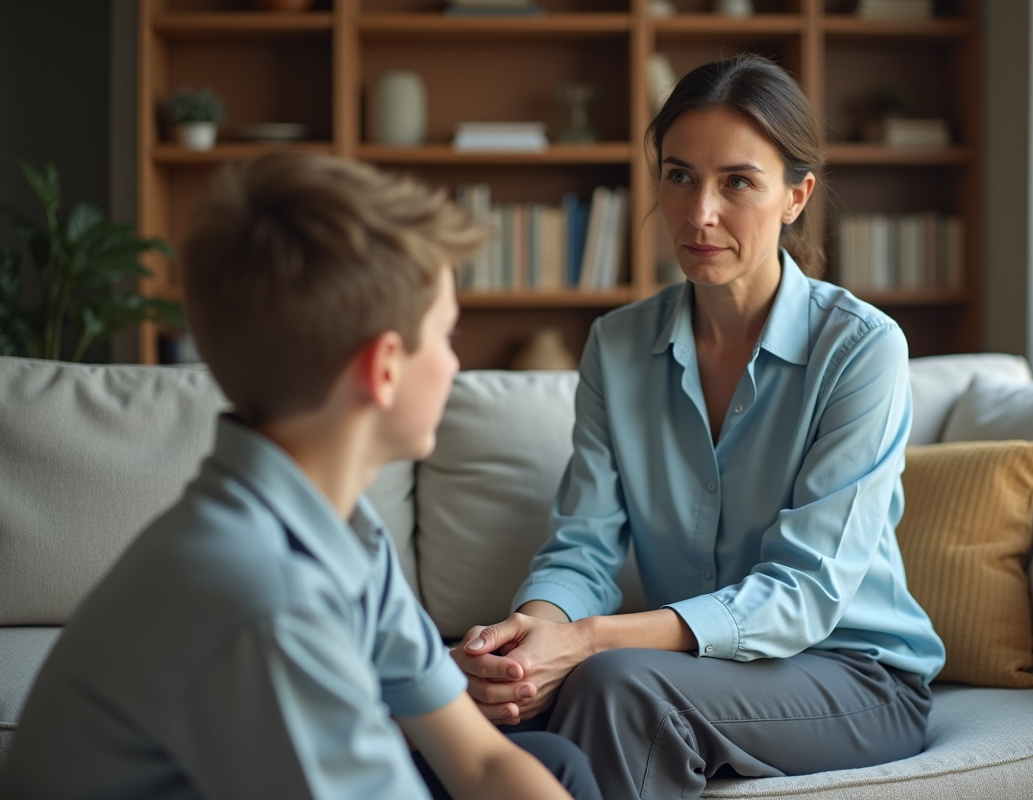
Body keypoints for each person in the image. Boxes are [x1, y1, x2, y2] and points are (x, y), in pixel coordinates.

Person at [0, 153, 600, 800]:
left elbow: (479, 761)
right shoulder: (265, 598)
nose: (456, 366)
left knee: (549, 766)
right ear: (385, 368)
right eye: (446, 336)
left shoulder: (346, 532)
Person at [451, 53, 947, 800]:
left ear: (795, 196)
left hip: (853, 674)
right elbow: (583, 548)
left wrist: (585, 641)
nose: (699, 213)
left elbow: (804, 592)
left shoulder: (860, 348)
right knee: (457, 684)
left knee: (614, 683)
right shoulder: (617, 346)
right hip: (690, 671)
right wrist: (530, 638)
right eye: (679, 175)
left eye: (737, 182)